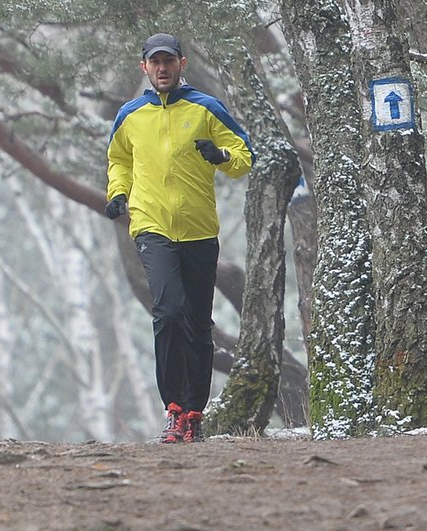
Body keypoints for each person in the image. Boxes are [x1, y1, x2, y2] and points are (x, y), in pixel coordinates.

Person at [105, 33, 255, 443]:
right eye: (155, 62)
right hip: (152, 228)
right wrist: (118, 194)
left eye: (169, 61)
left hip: (199, 231)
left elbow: (245, 156)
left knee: (196, 324)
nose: (163, 68)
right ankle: (173, 408)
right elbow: (119, 159)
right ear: (145, 68)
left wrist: (220, 156)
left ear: (181, 64)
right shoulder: (130, 115)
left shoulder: (206, 108)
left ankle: (194, 412)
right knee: (168, 312)